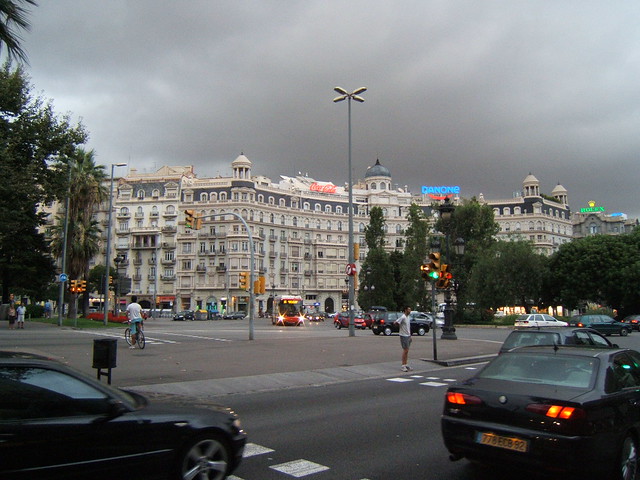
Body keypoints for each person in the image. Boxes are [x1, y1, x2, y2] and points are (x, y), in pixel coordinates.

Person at [394, 305, 412, 372]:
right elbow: (396, 322)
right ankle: (403, 365)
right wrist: (400, 327)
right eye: (408, 310)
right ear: (405, 310)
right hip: (403, 335)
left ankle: (406, 363)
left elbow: (408, 327)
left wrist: (410, 335)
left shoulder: (408, 317)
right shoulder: (403, 317)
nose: (410, 311)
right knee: (405, 350)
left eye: (410, 310)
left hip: (408, 335)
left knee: (407, 350)